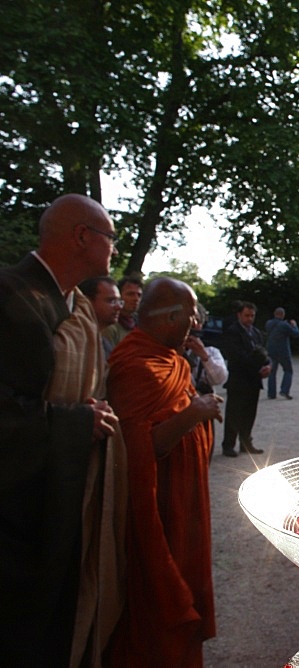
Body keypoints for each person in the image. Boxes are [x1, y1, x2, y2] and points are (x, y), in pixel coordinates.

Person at [0, 194, 125, 665]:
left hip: (59, 493)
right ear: (81, 237)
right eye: (110, 237)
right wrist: (78, 423)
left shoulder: (71, 304)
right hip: (17, 511)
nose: (113, 248)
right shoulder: (11, 295)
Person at [107, 277, 223, 665]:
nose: (195, 325)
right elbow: (143, 448)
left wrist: (197, 408)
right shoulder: (134, 363)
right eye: (191, 316)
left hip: (185, 499)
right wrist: (195, 412)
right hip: (159, 505)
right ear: (172, 316)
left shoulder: (169, 358)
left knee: (189, 579)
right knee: (161, 597)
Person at [220, 301, 271, 457]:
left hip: (253, 380)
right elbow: (237, 356)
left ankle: (246, 443)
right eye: (246, 315)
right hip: (239, 379)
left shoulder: (256, 333)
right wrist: (257, 367)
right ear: (239, 315)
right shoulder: (233, 332)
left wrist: (268, 365)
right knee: (234, 413)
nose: (249, 319)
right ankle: (228, 445)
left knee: (249, 413)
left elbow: (263, 352)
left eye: (252, 316)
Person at [186, 304, 228, 396]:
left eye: (197, 320)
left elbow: (220, 378)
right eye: (190, 319)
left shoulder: (211, 351)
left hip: (202, 404)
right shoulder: (170, 350)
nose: (194, 324)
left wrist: (204, 356)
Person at [79, 275, 124, 360]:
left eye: (119, 301)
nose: (119, 307)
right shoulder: (75, 340)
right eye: (111, 301)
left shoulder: (105, 345)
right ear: (87, 302)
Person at [265, 306, 299, 399]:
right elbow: (296, 334)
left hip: (271, 350)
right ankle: (284, 390)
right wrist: (294, 325)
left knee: (272, 372)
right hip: (283, 351)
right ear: (283, 315)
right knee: (288, 370)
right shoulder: (284, 325)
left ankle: (271, 393)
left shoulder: (268, 323)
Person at [102, 275, 142, 350]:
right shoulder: (109, 326)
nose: (136, 299)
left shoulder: (141, 324)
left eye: (139, 295)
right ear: (119, 296)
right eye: (130, 294)